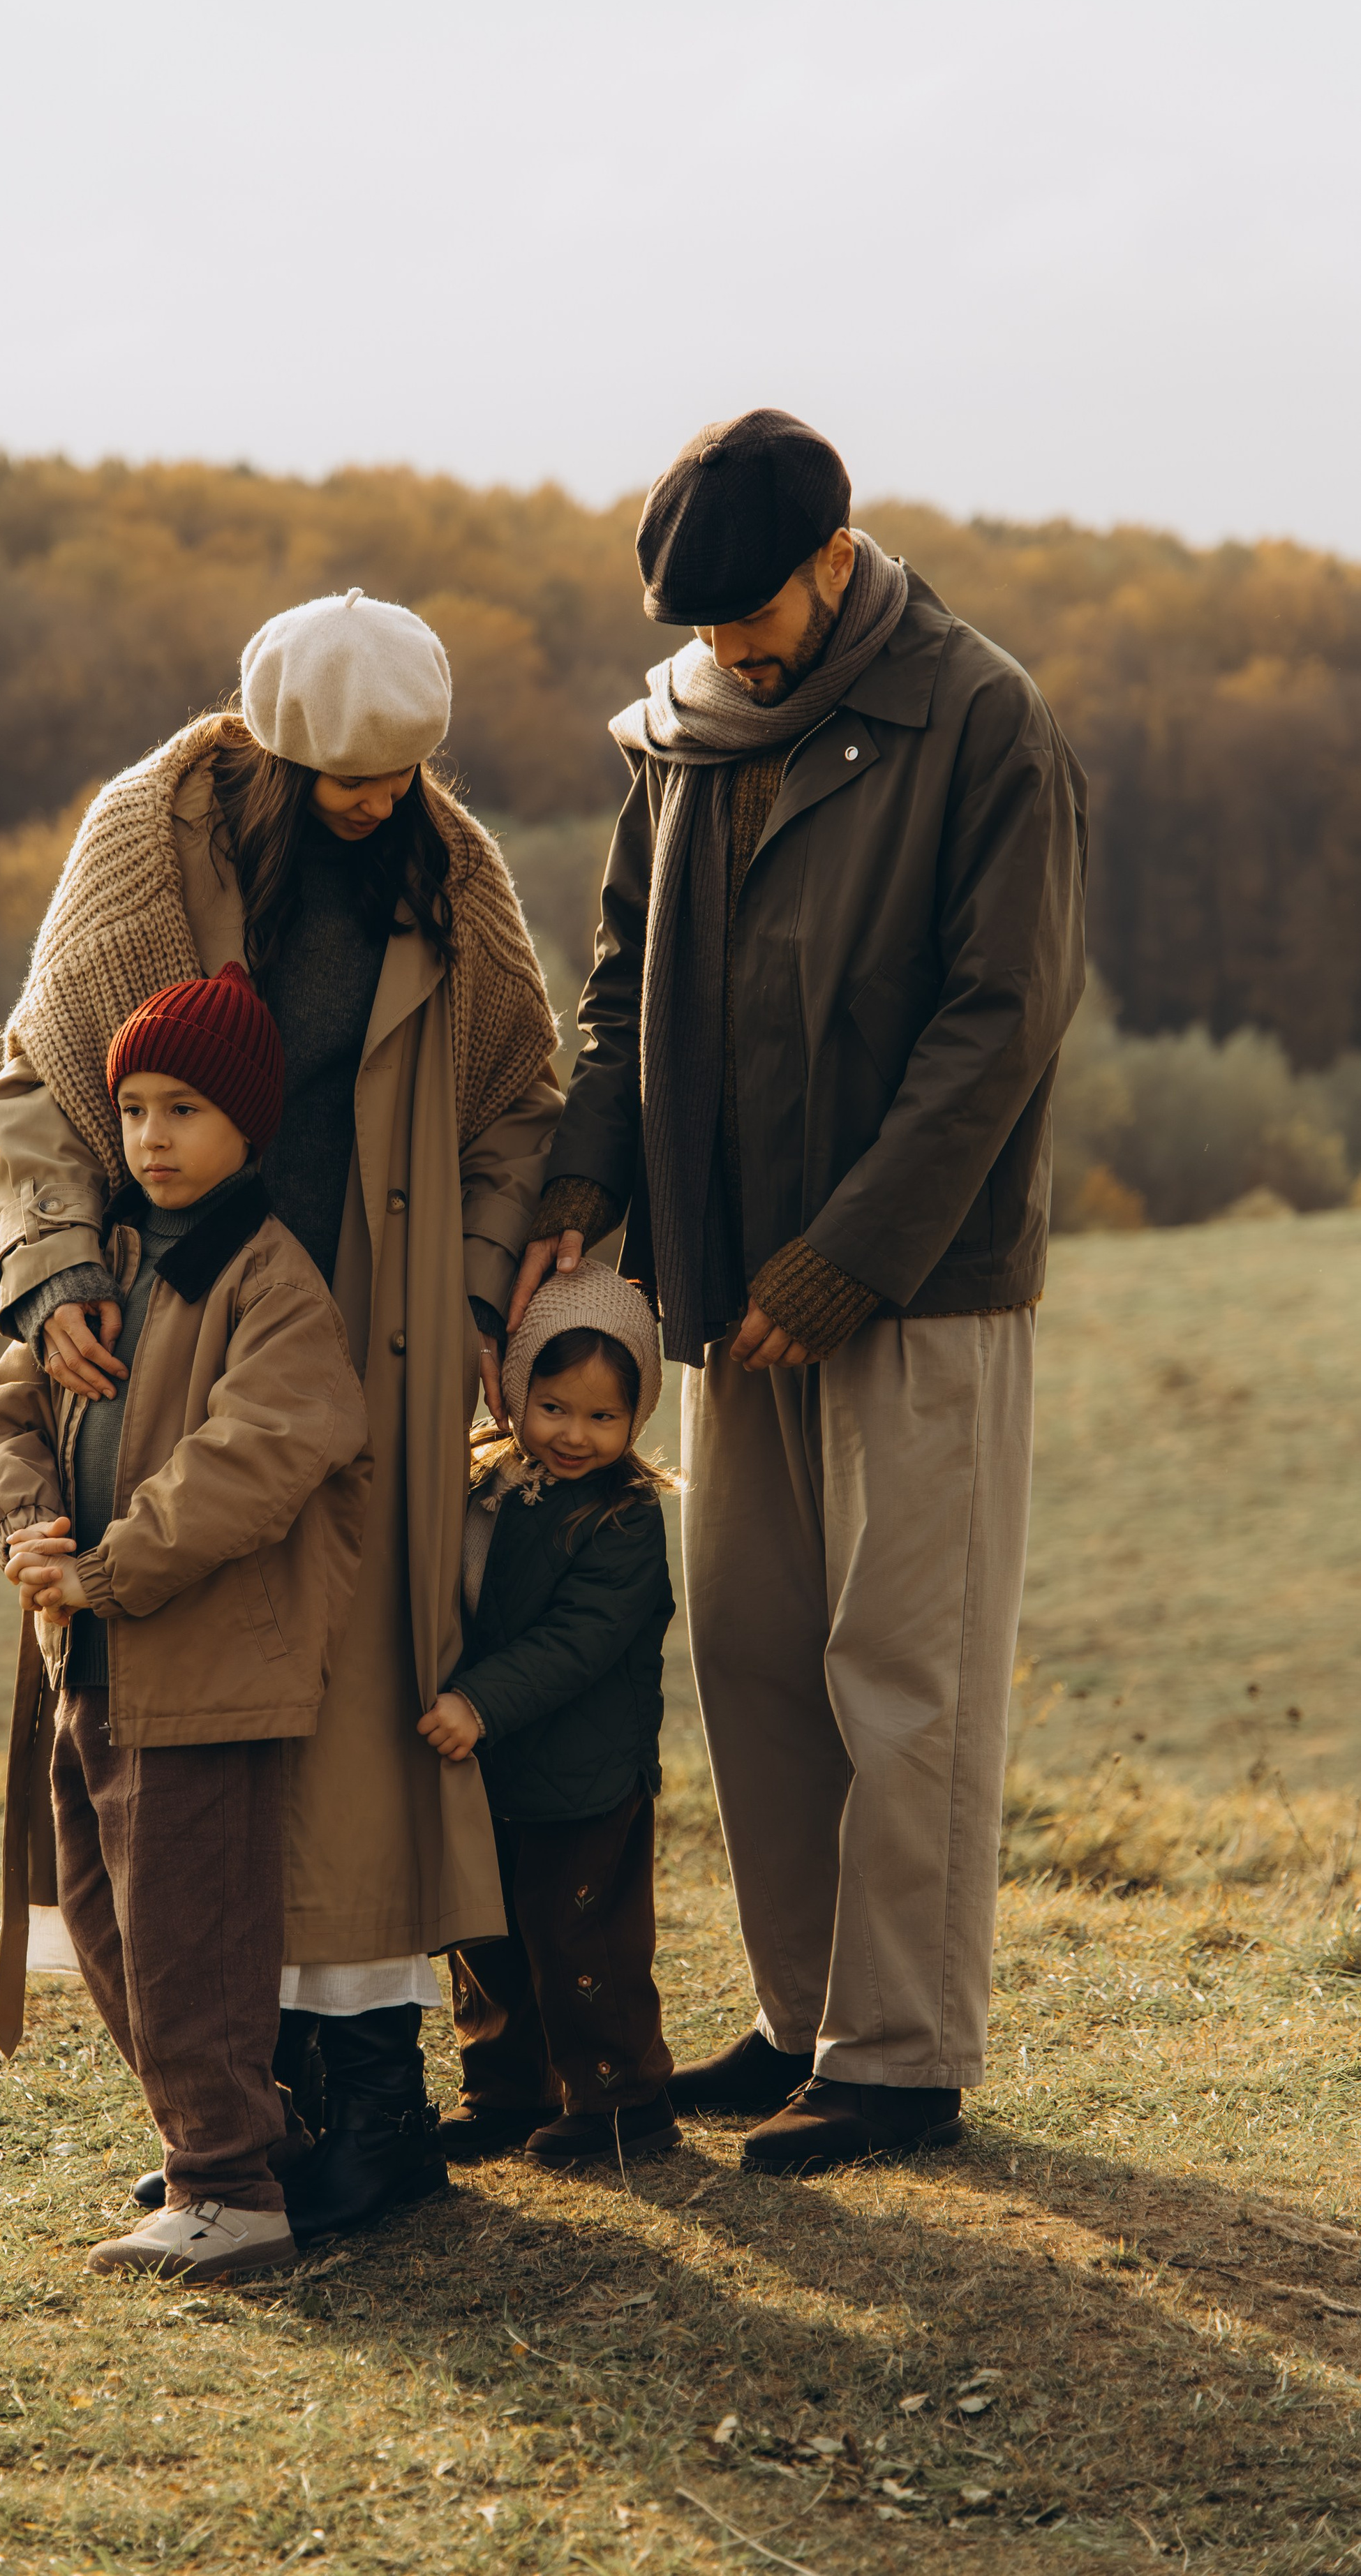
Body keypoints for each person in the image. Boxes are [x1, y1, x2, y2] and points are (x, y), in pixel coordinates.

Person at [508, 408, 1087, 2171]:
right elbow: (618, 980)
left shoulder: (982, 718)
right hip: (717, 1285)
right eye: (696, 628)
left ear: (836, 562)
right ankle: (796, 2023)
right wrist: (590, 1178)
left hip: (911, 1286)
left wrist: (841, 1263)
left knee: (899, 1668)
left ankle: (899, 2057)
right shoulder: (678, 734)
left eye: (746, 617)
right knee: (756, 1649)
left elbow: (999, 1030)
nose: (721, 653)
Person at [0, 588, 563, 2238]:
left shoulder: (457, 873)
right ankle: (242, 2108)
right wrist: (51, 1266)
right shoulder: (138, 841)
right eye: (336, 780)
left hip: (371, 1349)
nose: (372, 806)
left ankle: (373, 2107)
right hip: (170, 1321)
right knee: (194, 1723)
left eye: (396, 779)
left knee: (365, 1714)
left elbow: (518, 1100)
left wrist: (463, 1299)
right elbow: (40, 1079)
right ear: (262, 745)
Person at [0, 965, 371, 2281]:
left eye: (183, 1109)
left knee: (192, 1932)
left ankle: (229, 2190)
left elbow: (264, 1452)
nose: (150, 1137)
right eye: (133, 1108)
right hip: (88, 1664)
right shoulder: (102, 1272)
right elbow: (2, 1425)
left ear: (248, 1126)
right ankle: (238, 2141)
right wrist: (23, 1530)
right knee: (101, 1921)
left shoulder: (272, 1282)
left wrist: (115, 1566)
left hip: (204, 1667)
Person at [421, 1260, 679, 2166]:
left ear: (636, 1415)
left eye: (604, 1415)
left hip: (584, 1774)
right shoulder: (487, 1486)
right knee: (484, 1933)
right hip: (492, 1770)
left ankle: (622, 2101)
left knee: (581, 1936)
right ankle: (504, 2091)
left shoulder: (624, 1519)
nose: (576, 1434)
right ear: (517, 1391)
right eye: (556, 1407)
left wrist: (478, 1702)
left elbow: (577, 1640)